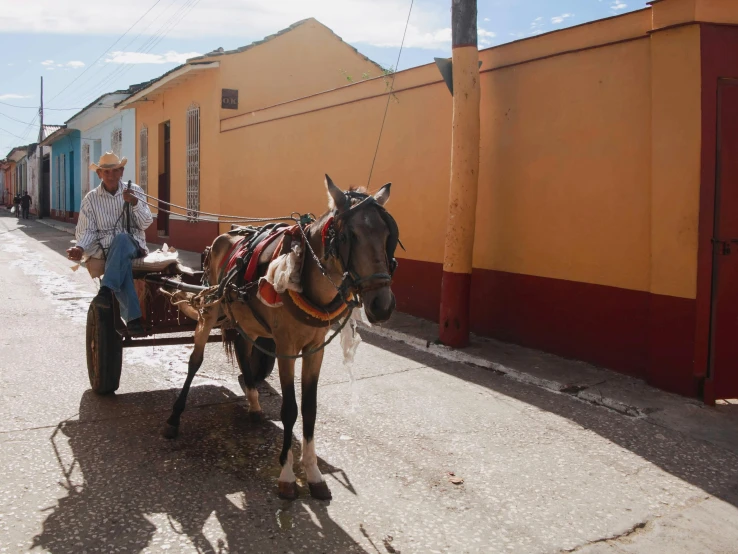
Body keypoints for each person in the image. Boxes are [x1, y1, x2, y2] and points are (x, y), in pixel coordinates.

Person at [66, 152, 153, 336]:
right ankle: (133, 319)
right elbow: (86, 230)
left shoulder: (135, 190)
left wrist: (135, 202)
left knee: (121, 239)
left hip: (134, 245)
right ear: (99, 174)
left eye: (114, 171)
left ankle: (105, 290)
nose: (110, 175)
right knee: (119, 265)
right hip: (106, 251)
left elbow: (146, 223)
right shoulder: (90, 199)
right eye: (106, 172)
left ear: (121, 171)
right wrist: (80, 247)